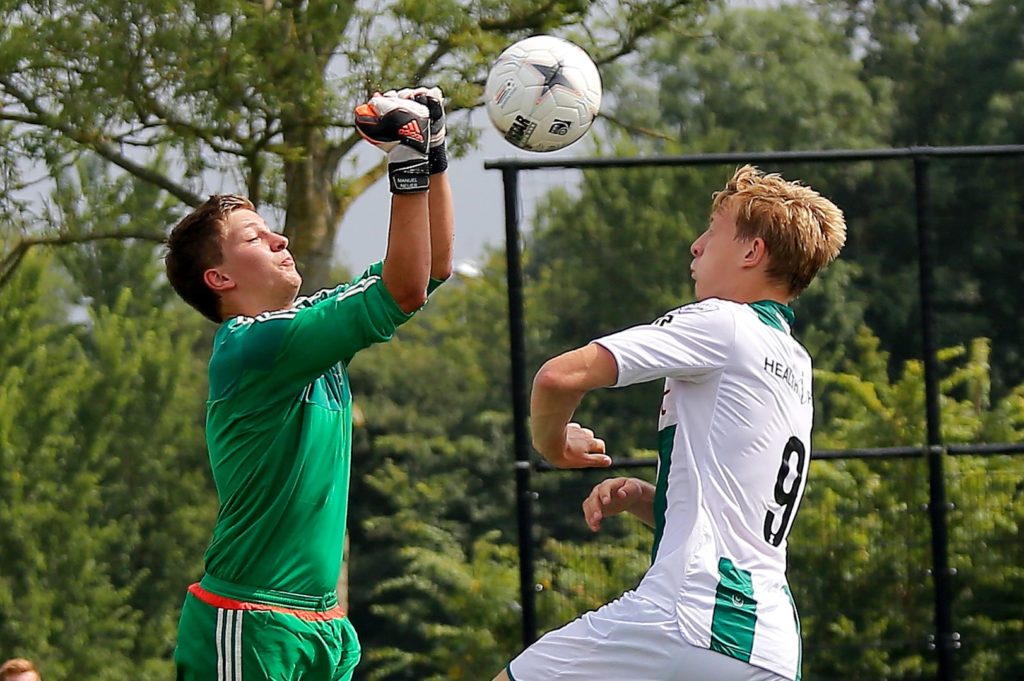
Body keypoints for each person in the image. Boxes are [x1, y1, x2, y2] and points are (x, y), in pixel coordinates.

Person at [495, 165, 846, 681]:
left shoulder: (724, 323)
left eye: (713, 231)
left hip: (691, 619)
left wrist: (554, 444)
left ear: (752, 252)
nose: (696, 246)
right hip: (767, 644)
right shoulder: (794, 360)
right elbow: (734, 524)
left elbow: (558, 377)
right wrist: (651, 498)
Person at [165, 87, 453, 681]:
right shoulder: (251, 345)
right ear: (218, 278)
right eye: (255, 238)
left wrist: (432, 153)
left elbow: (429, 270)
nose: (281, 240)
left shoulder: (302, 333)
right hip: (249, 620)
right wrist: (404, 161)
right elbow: (405, 290)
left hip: (321, 623)